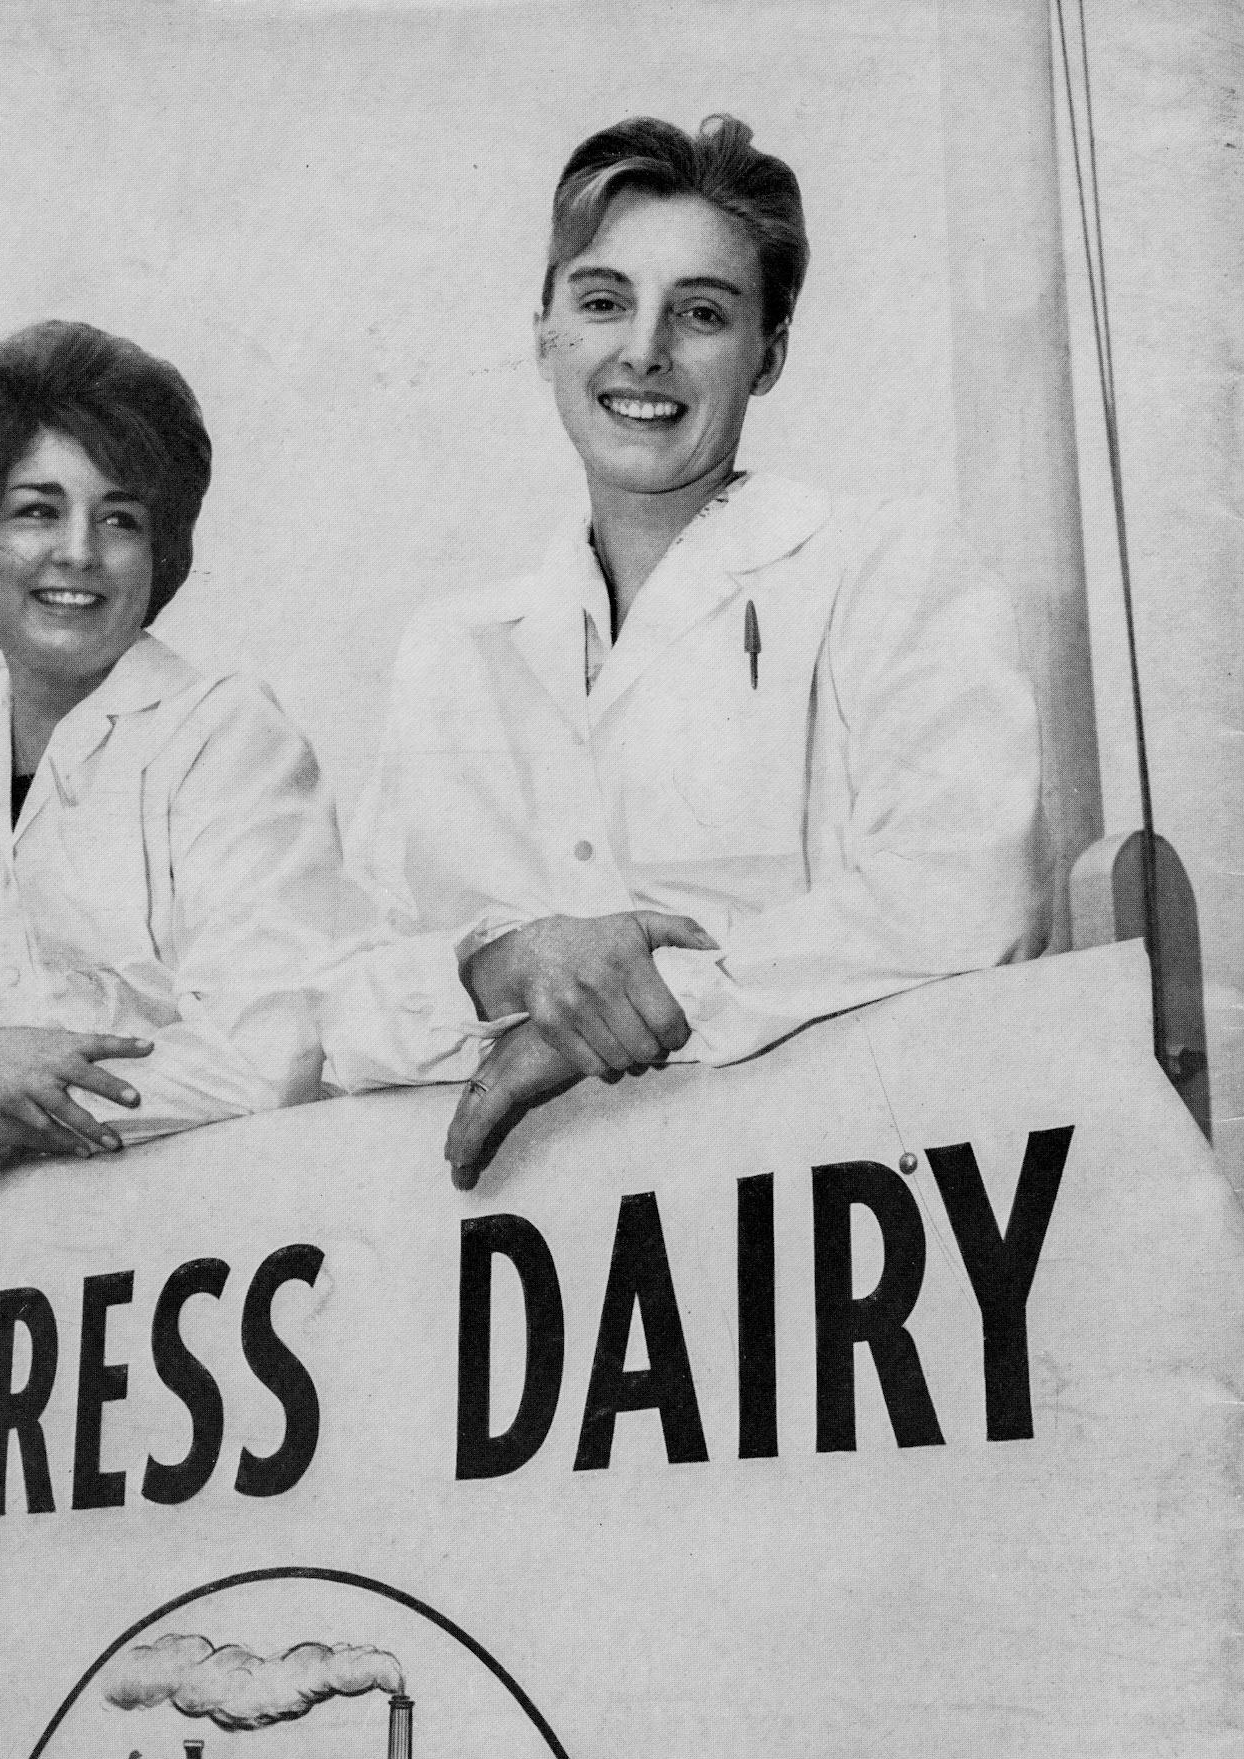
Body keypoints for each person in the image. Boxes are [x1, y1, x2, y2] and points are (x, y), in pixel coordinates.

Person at [320, 115, 1051, 1185]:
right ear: (544, 332)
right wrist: (505, 963)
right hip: (528, 1273)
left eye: (701, 312)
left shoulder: (885, 565)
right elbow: (339, 1015)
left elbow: (971, 894)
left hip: (833, 1231)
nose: (644, 349)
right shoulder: (453, 652)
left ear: (769, 354)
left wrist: (638, 1003)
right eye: (603, 300)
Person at [0, 321, 341, 1208]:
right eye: (36, 510)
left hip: (230, 1242)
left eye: (120, 518)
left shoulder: (224, 733)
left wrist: (13, 1123)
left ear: (159, 551)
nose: (78, 552)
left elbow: (276, 1049)